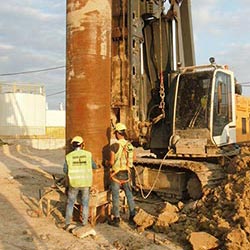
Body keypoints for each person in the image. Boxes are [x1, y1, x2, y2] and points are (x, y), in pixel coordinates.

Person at [63, 136, 96, 230]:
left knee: (70, 203)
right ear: (82, 145)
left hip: (74, 183)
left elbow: (65, 170)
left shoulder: (68, 156)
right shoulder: (88, 154)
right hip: (85, 183)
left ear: (73, 146)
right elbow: (94, 166)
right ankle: (84, 223)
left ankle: (67, 223)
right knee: (85, 203)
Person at [107, 123, 136, 227]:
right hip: (127, 174)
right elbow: (134, 158)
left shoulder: (114, 146)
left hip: (116, 174)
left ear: (117, 133)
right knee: (129, 195)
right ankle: (133, 217)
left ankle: (117, 218)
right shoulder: (130, 145)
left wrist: (107, 163)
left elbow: (111, 162)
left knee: (115, 196)